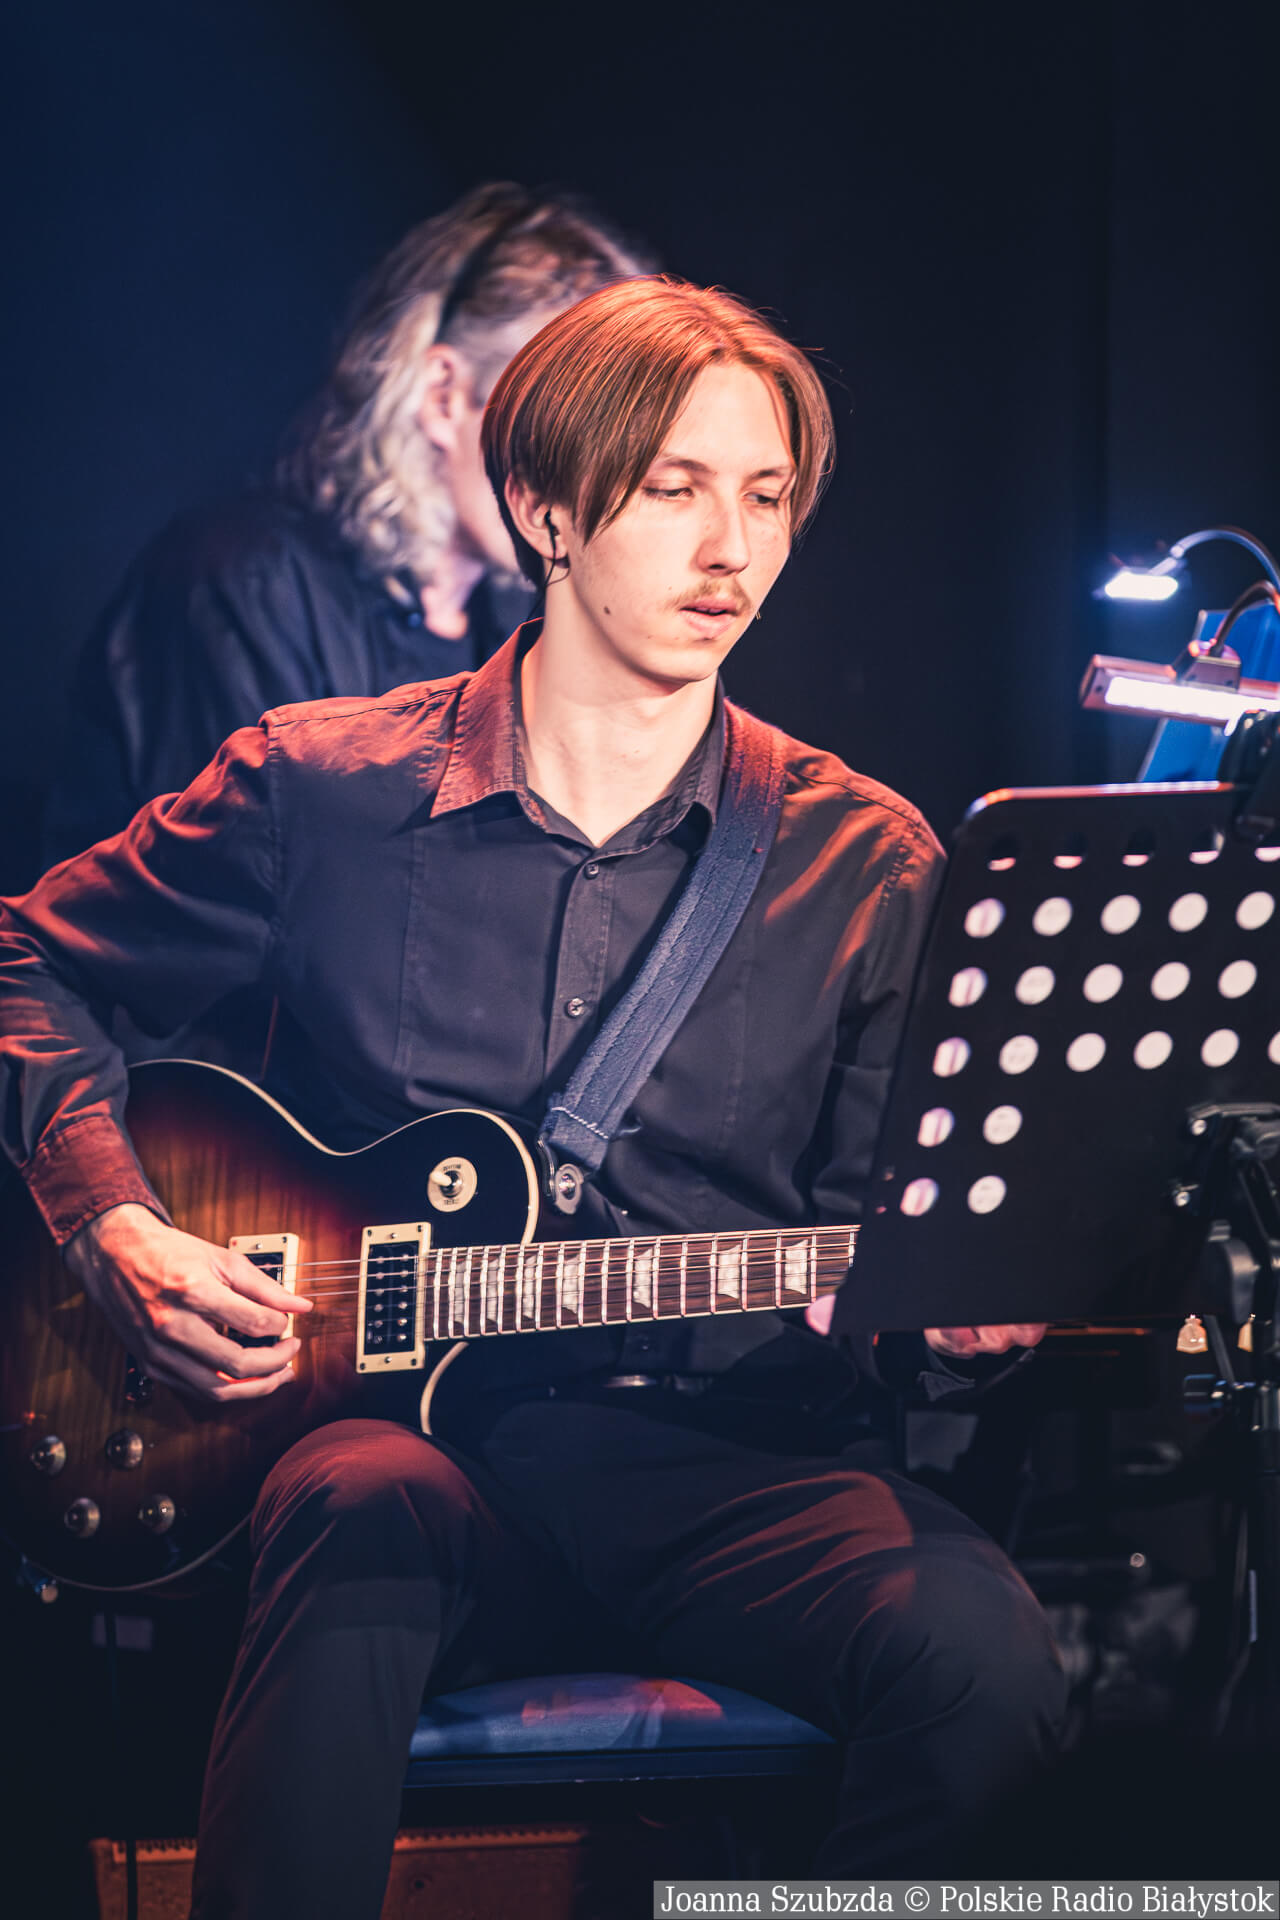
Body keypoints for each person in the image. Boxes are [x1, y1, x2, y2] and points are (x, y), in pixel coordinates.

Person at [0, 277, 1065, 1918]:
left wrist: (956, 1328)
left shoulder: (868, 861)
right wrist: (117, 1223)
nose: (732, 552)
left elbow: (890, 1267)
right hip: (416, 1460)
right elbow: (26, 957)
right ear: (546, 509)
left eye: (768, 498)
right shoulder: (319, 790)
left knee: (988, 1667)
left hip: (737, 1472)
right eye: (676, 490)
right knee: (350, 1508)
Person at [43, 181, 649, 869]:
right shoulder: (239, 582)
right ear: (443, 396)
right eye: (567, 424)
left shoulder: (520, 616)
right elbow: (259, 891)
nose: (598, 474)